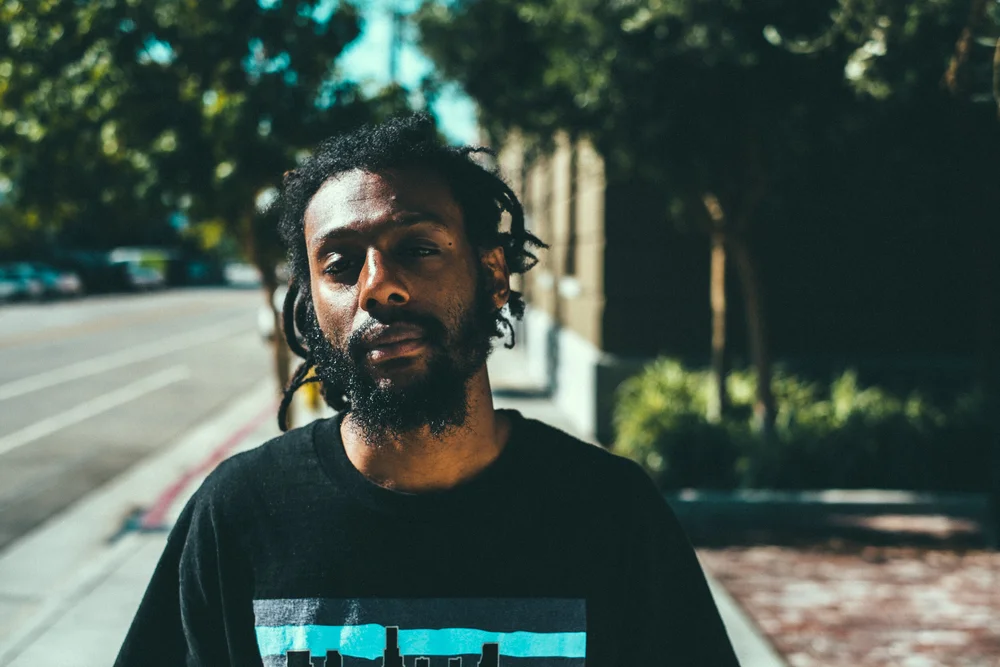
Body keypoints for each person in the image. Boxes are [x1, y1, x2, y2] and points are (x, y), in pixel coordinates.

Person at [115, 114, 740, 667]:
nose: (378, 286)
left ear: (492, 274)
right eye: (340, 265)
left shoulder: (613, 512)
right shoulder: (240, 513)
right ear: (311, 305)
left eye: (417, 248)